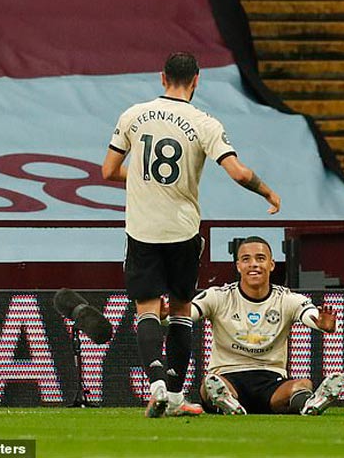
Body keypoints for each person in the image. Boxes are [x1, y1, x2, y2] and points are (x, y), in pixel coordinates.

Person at [101, 53, 281, 418]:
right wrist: (267, 192)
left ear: (161, 76)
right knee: (182, 309)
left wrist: (140, 180)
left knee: (147, 308)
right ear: (197, 80)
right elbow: (238, 173)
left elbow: (108, 171)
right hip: (182, 231)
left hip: (143, 230)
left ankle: (155, 381)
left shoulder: (133, 115)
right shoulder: (205, 123)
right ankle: (175, 394)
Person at [190, 236, 344, 415]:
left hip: (271, 382)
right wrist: (166, 317)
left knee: (303, 384)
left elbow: (311, 315)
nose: (253, 264)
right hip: (228, 377)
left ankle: (309, 404)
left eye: (260, 259)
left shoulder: (286, 299)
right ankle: (227, 400)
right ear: (238, 266)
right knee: (209, 384)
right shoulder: (218, 296)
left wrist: (324, 325)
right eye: (246, 259)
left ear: (271, 265)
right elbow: (188, 314)